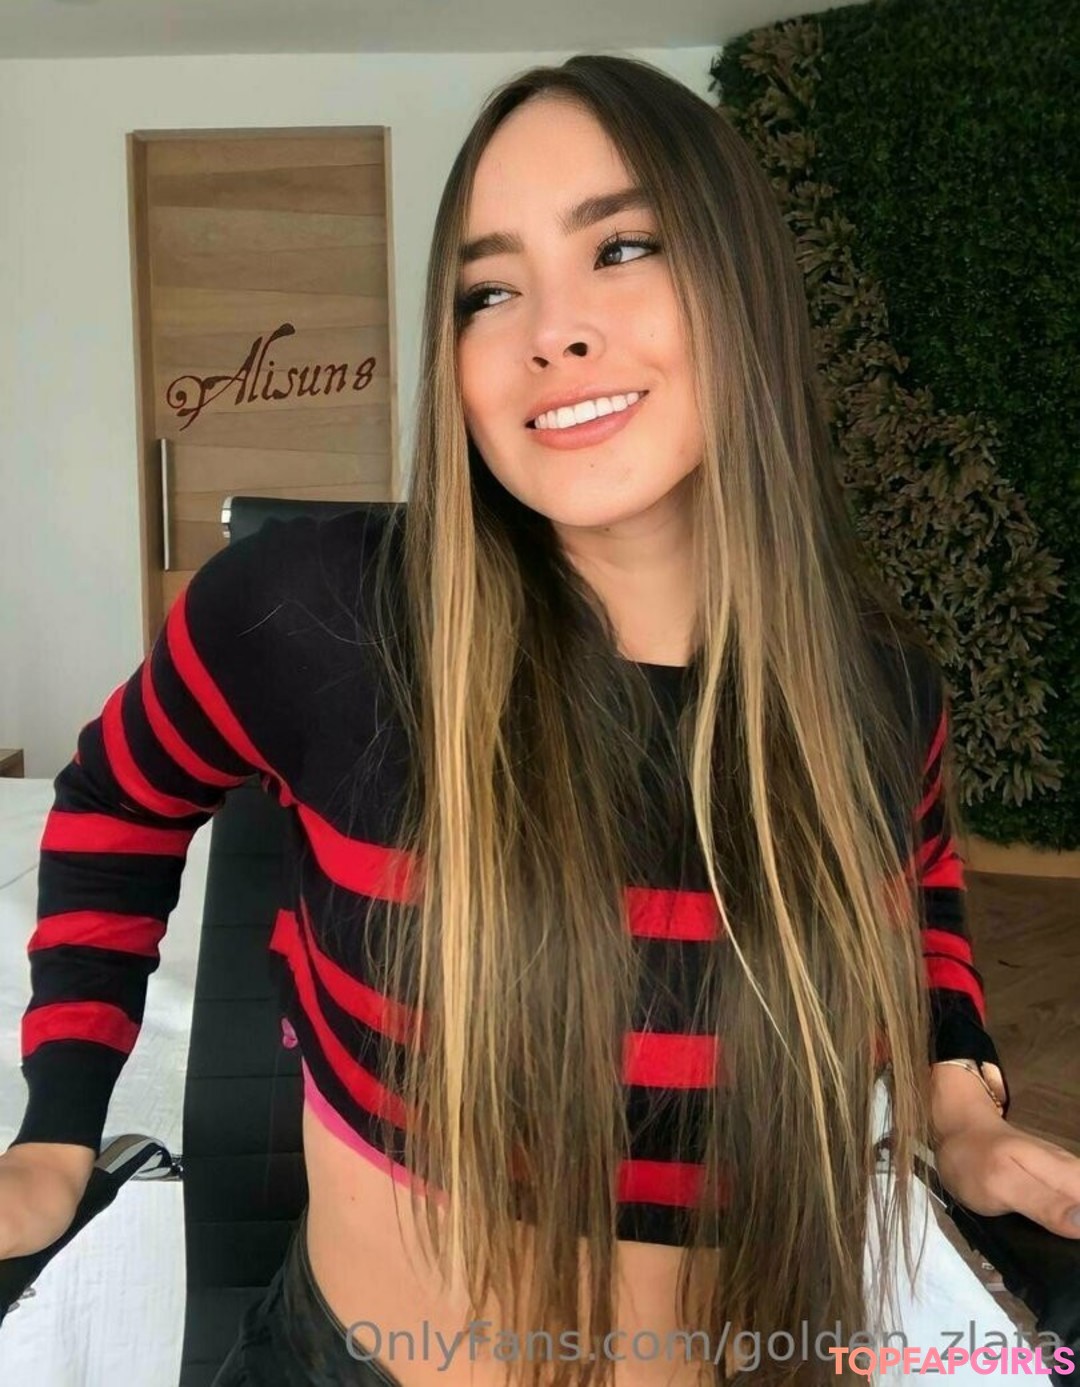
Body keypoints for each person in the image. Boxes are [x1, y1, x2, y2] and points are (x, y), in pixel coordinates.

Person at [2, 52, 1078, 1387]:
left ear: (745, 284)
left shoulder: (875, 686)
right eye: (489, 291)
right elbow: (114, 801)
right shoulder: (307, 616)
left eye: (621, 248)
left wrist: (962, 1111)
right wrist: (57, 1130)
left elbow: (916, 897)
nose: (550, 333)